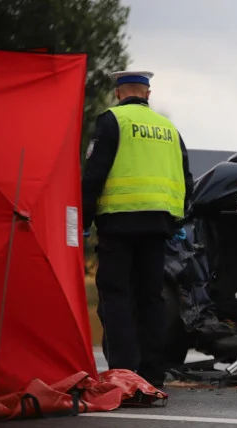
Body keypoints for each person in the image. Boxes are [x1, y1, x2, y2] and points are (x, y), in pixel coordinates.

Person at [81, 70, 193, 387]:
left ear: (118, 94)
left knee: (116, 294)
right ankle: (152, 373)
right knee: (150, 297)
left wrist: (83, 223)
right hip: (158, 226)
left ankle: (123, 373)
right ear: (148, 94)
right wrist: (178, 221)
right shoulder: (169, 128)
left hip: (118, 222)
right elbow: (186, 180)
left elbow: (93, 176)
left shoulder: (111, 121)